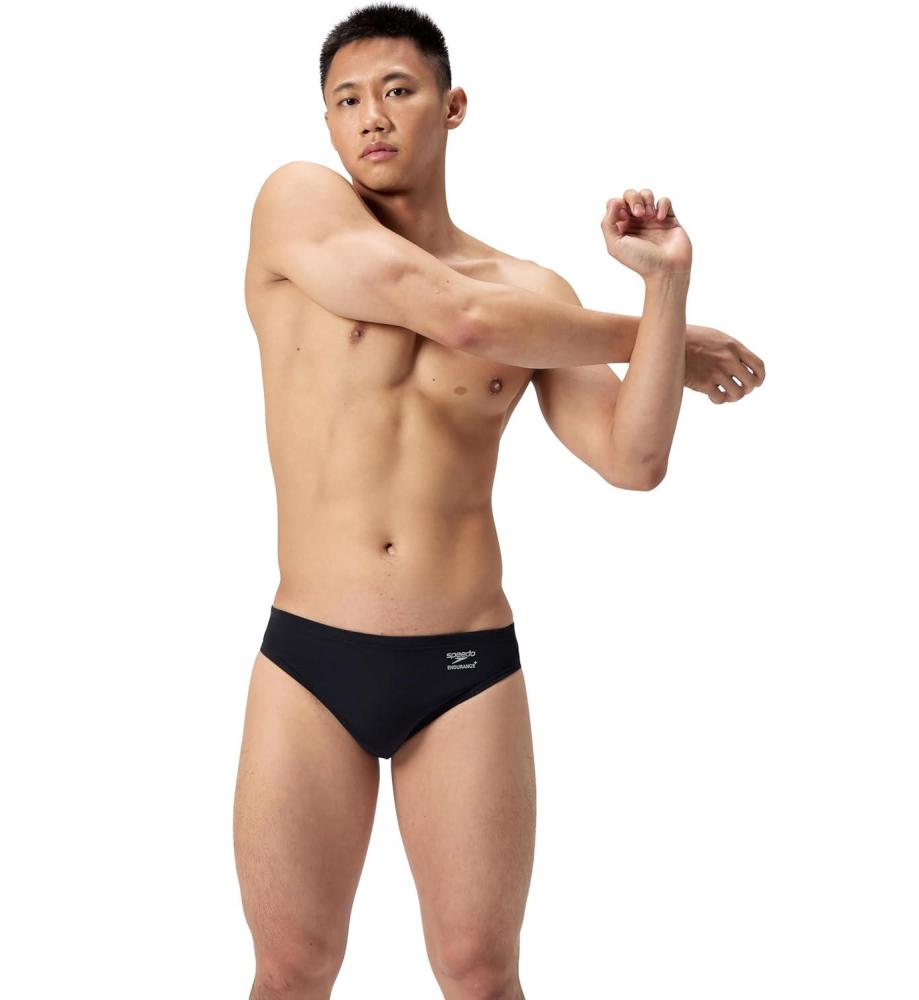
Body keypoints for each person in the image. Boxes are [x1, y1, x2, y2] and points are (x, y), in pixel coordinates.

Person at [232, 5, 766, 998]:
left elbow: (634, 459)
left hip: (464, 668)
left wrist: (665, 292)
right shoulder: (295, 205)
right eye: (346, 100)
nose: (371, 115)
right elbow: (465, 319)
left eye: (398, 90)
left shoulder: (536, 295)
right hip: (310, 658)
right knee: (292, 969)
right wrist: (661, 343)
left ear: (453, 106)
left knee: (481, 973)